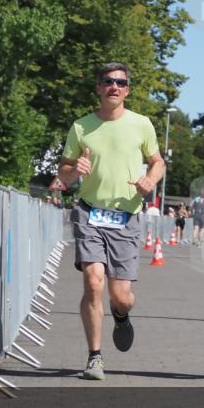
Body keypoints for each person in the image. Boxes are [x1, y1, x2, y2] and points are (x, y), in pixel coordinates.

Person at [58, 62, 165, 381]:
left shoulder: (142, 124)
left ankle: (121, 315)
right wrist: (74, 171)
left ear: (127, 90)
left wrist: (150, 180)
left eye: (120, 82)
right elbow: (63, 176)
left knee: (121, 296)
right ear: (98, 88)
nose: (114, 86)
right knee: (93, 281)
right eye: (107, 81)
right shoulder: (81, 127)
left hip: (125, 217)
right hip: (90, 212)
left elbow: (157, 161)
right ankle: (94, 357)